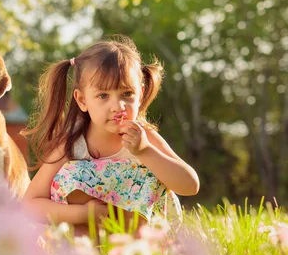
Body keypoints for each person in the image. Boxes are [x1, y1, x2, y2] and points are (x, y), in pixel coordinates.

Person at [22, 35, 199, 235]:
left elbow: (190, 185)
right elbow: (30, 205)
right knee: (70, 175)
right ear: (82, 100)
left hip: (142, 242)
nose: (118, 106)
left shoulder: (145, 138)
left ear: (140, 94)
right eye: (103, 96)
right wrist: (83, 213)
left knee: (146, 174)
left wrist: (145, 152)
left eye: (127, 94)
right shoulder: (72, 145)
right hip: (86, 240)